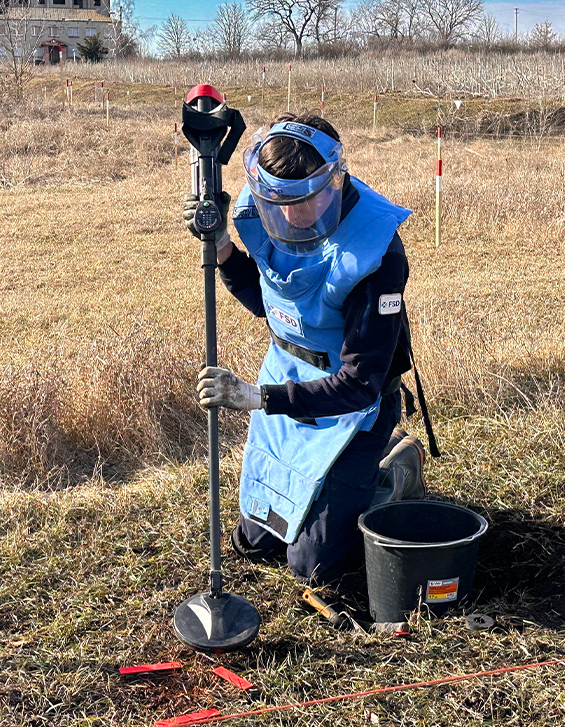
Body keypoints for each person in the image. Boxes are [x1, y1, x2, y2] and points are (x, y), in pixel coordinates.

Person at [182, 110, 431, 585]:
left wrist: (257, 399)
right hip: (288, 378)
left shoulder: (375, 256)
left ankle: (394, 465)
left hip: (352, 407)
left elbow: (360, 385)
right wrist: (222, 251)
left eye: (304, 201)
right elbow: (271, 304)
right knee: (256, 542)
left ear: (334, 182)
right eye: (277, 202)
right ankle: (340, 490)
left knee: (313, 567)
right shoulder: (270, 216)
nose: (291, 216)